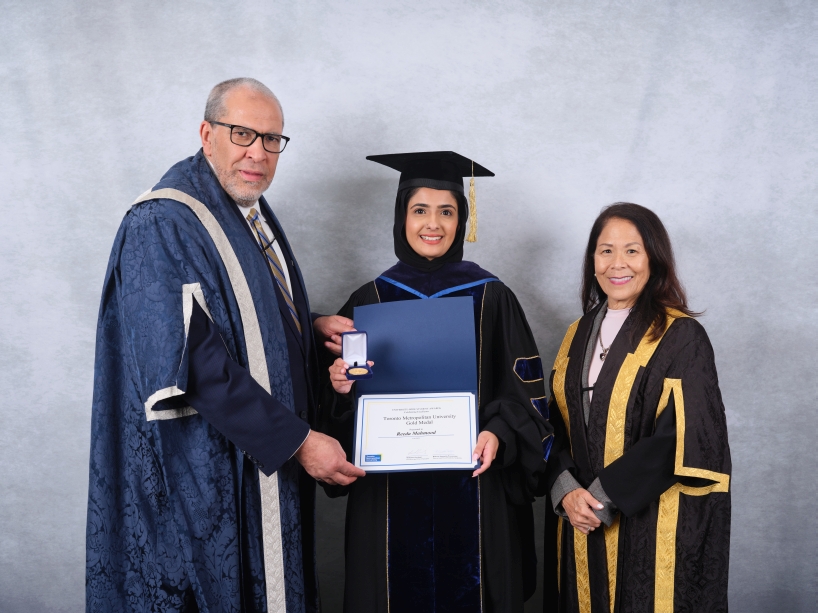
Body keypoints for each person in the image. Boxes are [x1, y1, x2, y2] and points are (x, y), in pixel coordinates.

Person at [85, 77, 364, 613]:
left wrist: (305, 324)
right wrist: (302, 443)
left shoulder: (245, 211)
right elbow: (189, 358)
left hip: (254, 463)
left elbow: (232, 314)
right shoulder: (162, 221)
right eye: (242, 133)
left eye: (272, 139)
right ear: (206, 132)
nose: (257, 152)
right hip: (198, 478)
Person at [320, 151, 553, 612]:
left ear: (462, 219)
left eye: (447, 211)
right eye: (420, 210)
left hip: (477, 490)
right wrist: (340, 389)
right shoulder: (369, 301)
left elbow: (527, 400)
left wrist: (498, 432)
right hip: (386, 500)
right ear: (400, 217)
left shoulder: (493, 298)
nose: (434, 224)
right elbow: (333, 416)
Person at [542, 203, 731, 612]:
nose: (617, 263)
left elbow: (682, 435)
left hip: (647, 520)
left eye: (632, 250)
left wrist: (601, 497)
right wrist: (565, 491)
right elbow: (554, 422)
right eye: (605, 250)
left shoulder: (681, 336)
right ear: (592, 260)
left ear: (654, 259)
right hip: (578, 520)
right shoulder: (576, 334)